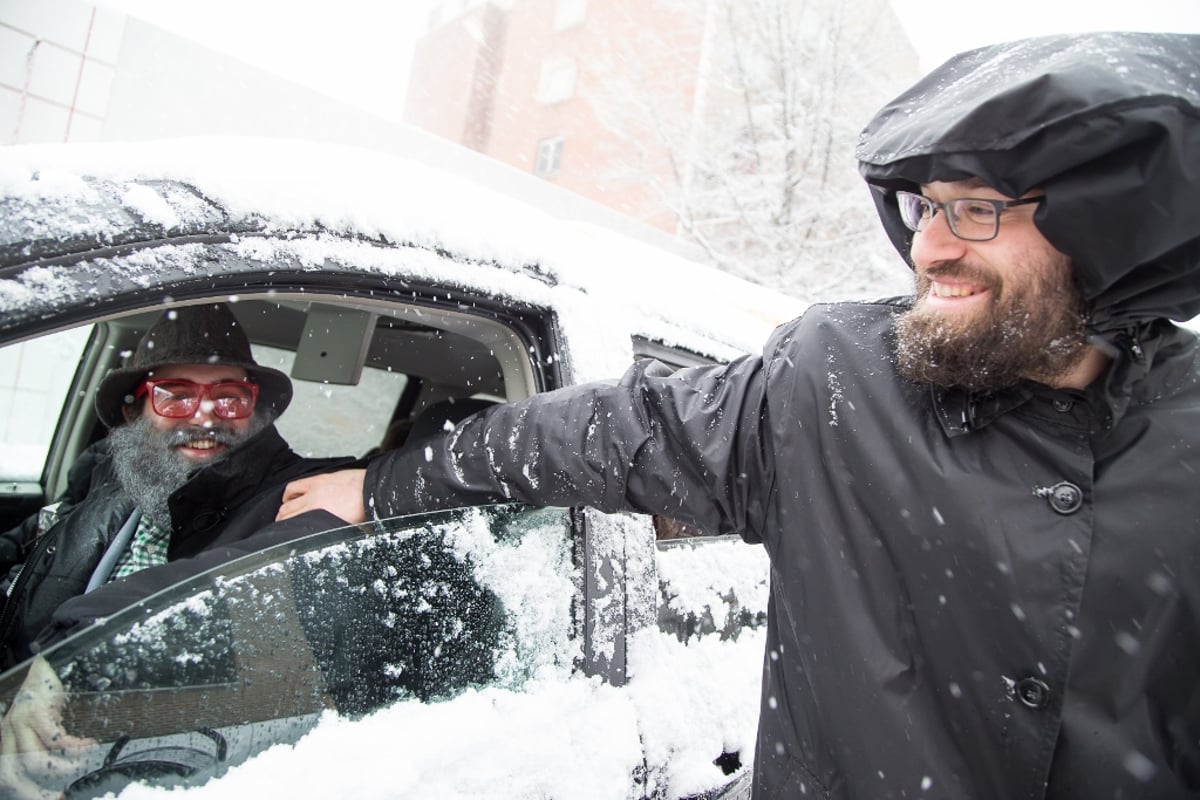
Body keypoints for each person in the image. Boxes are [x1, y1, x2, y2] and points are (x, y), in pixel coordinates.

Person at [278, 32, 1200, 799]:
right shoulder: (840, 383)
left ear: (1094, 224)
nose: (931, 248)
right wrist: (388, 482)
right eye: (924, 208)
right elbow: (609, 432)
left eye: (980, 211)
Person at [0, 303, 352, 667]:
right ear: (134, 412)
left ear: (255, 409)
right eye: (176, 394)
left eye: (229, 395)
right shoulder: (110, 476)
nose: (205, 414)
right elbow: (31, 554)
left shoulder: (300, 494)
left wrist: (370, 486)